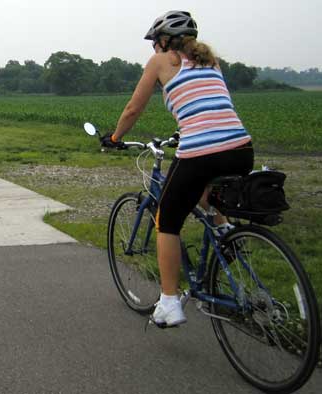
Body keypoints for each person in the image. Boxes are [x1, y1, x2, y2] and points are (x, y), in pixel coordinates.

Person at [101, 11, 254, 327]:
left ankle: (169, 302)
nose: (154, 48)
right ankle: (226, 232)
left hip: (201, 152)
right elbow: (210, 106)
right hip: (241, 149)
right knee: (203, 190)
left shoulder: (161, 62)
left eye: (155, 42)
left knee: (167, 220)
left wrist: (115, 137)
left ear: (165, 40)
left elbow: (134, 108)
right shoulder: (211, 61)